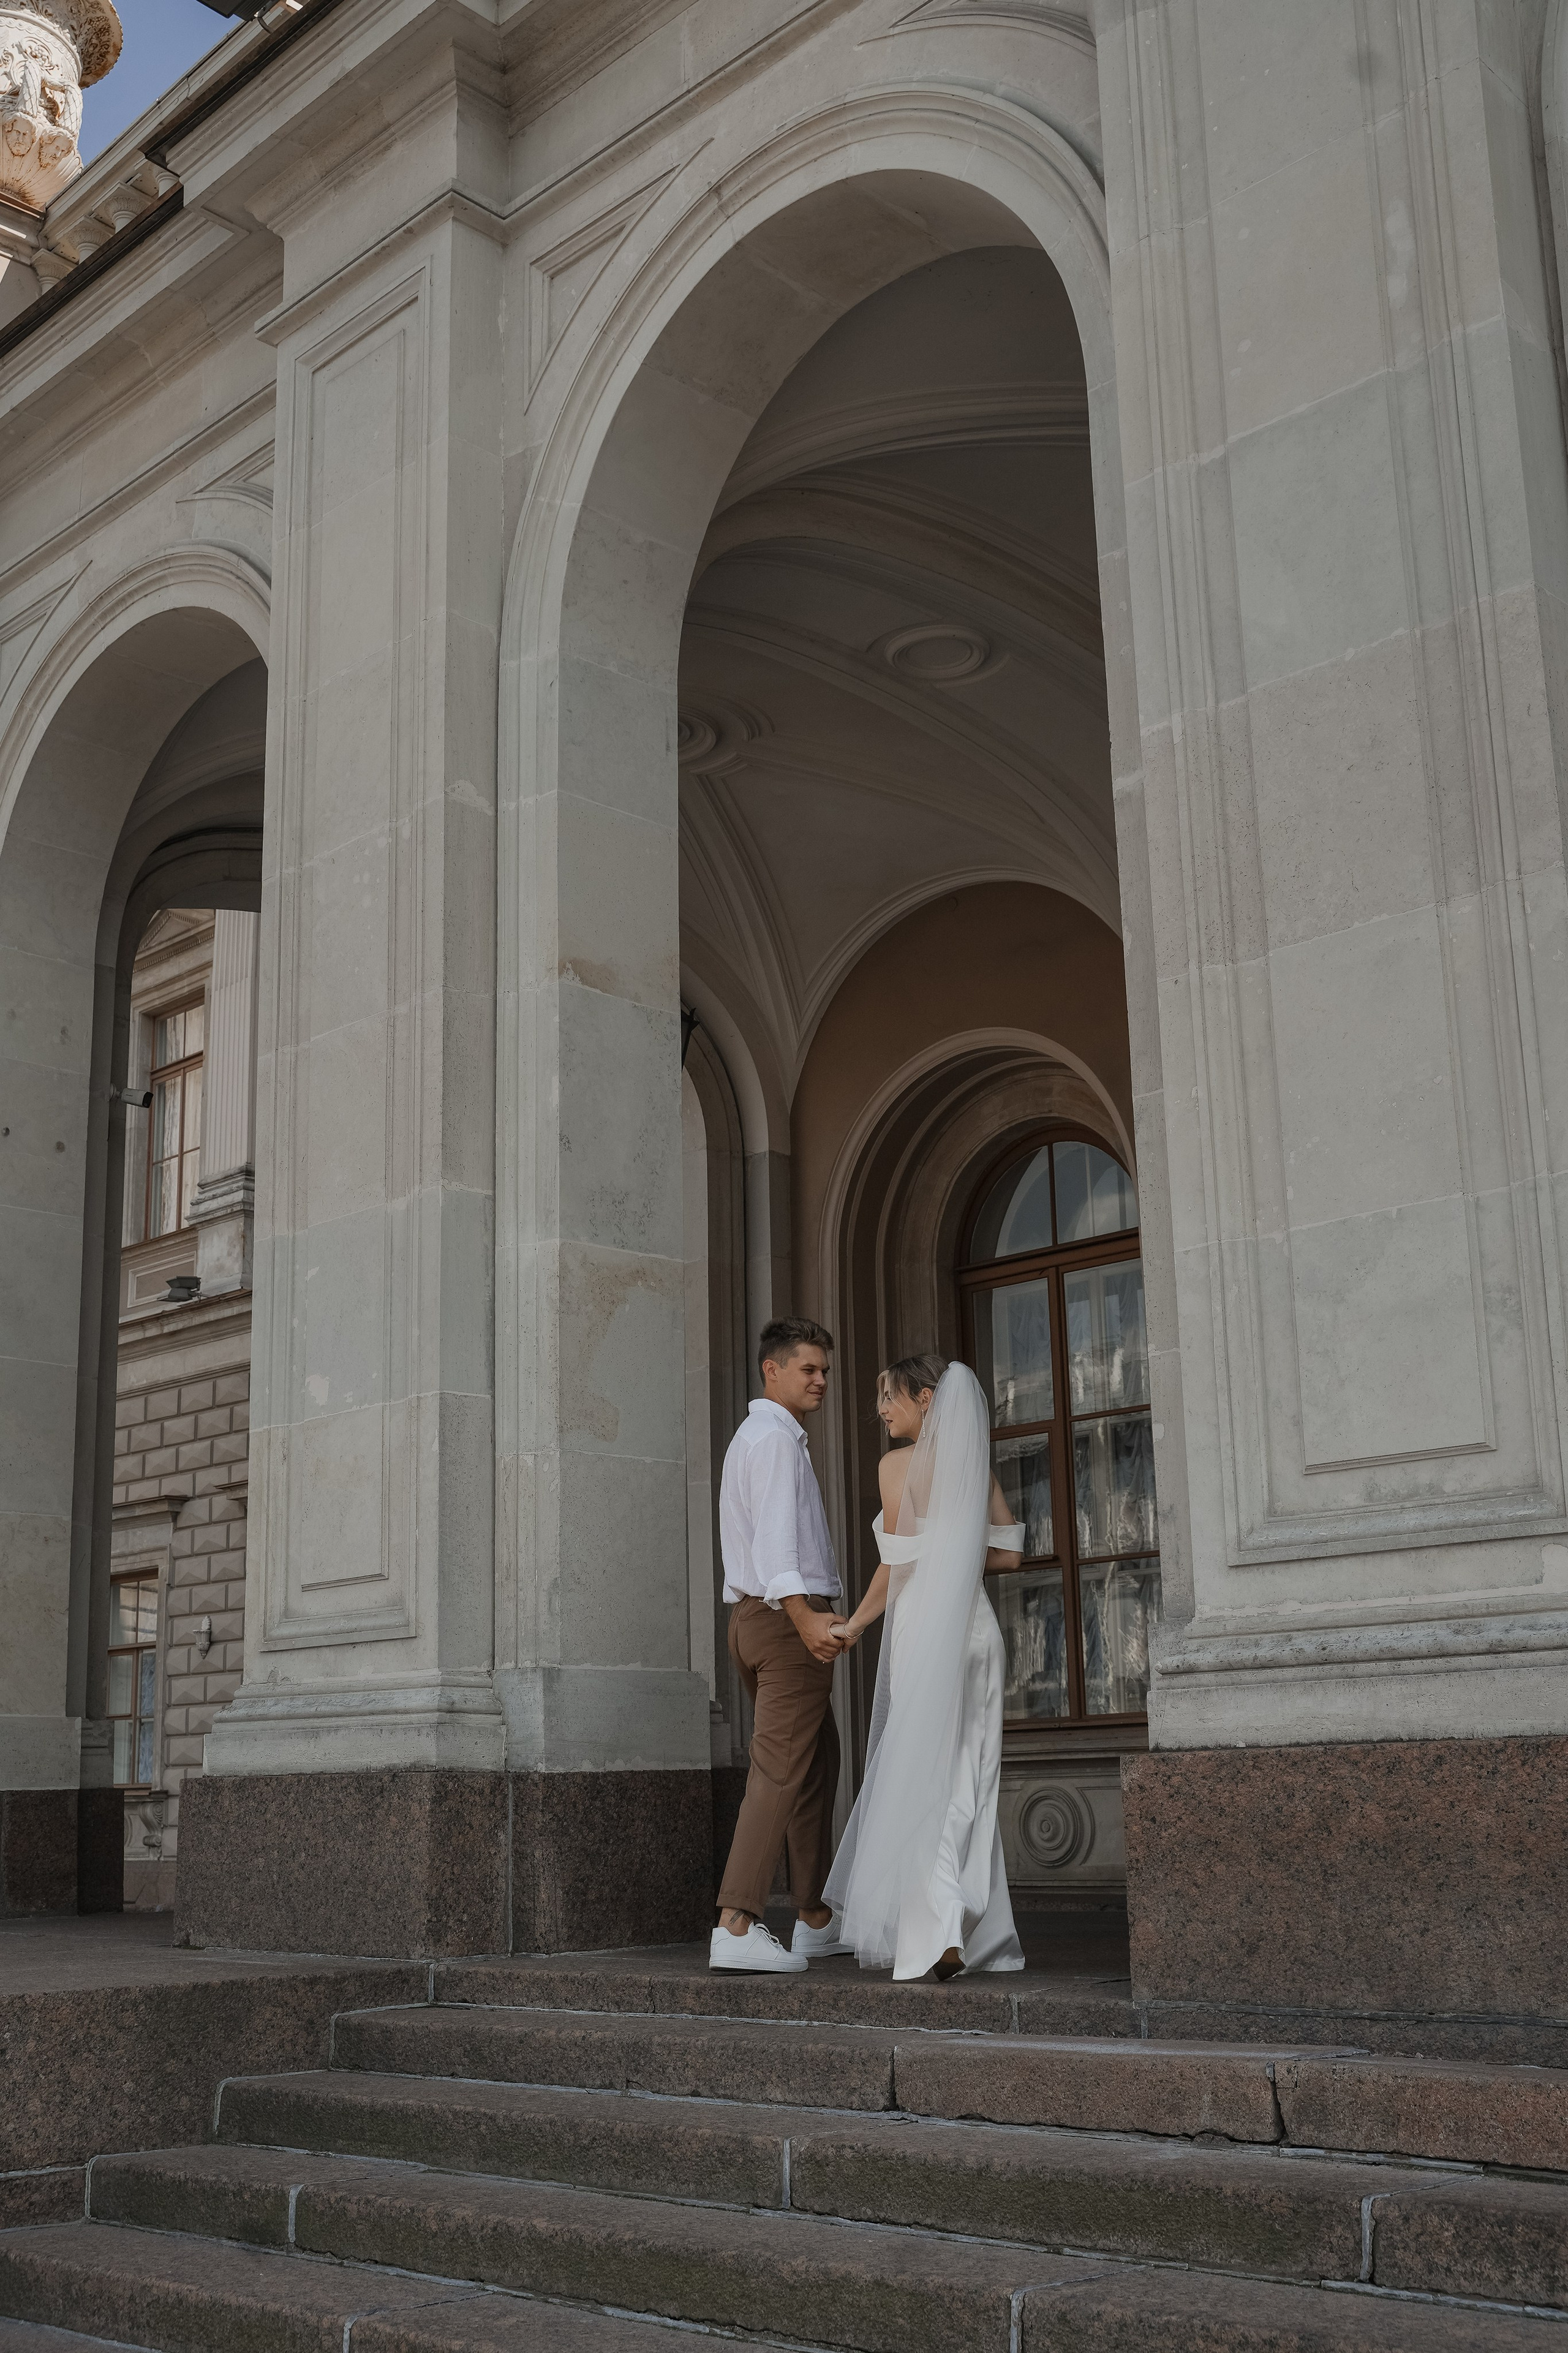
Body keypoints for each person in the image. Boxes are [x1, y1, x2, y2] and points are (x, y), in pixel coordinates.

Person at [824, 1354, 1026, 1981]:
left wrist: (856, 1623)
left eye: (891, 1396)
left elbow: (901, 1564)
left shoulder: (896, 1466)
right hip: (978, 1633)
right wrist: (957, 1551)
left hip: (926, 1632)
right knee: (974, 1779)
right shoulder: (976, 1468)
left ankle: (941, 1933)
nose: (881, 1410)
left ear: (927, 1398)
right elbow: (1010, 1556)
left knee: (925, 1776)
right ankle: (981, 1931)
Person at [710, 1317, 851, 1974]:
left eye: (825, 1370)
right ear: (773, 1370)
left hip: (757, 1619)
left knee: (816, 1761)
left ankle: (814, 1918)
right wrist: (804, 1618)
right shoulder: (772, 1441)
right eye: (809, 1369)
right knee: (778, 1770)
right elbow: (774, 1546)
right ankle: (736, 1923)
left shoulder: (765, 1436)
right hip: (781, 1620)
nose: (821, 1380)